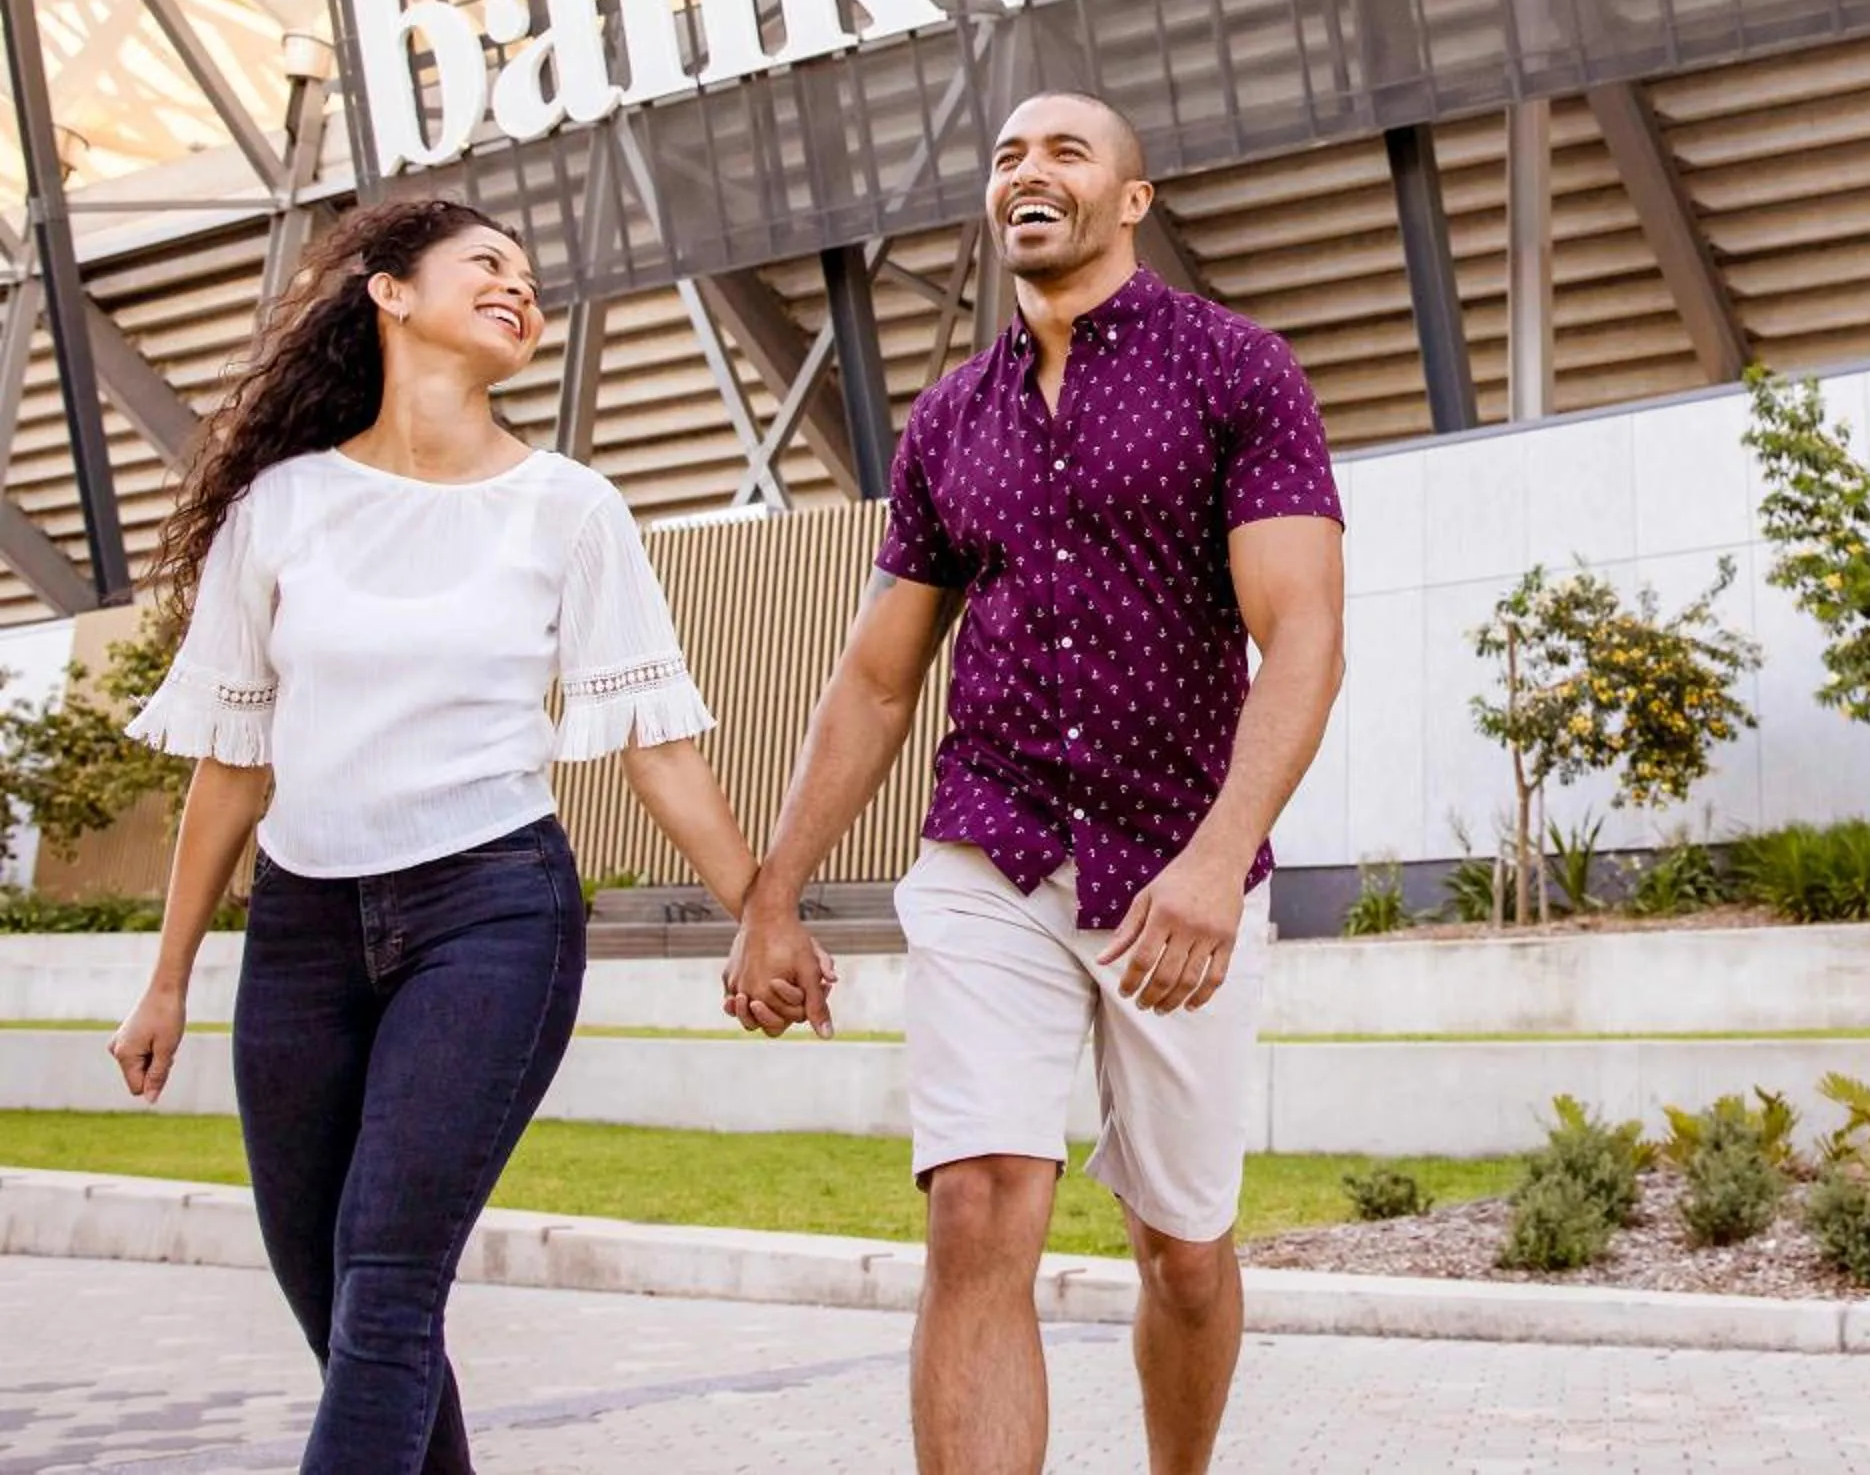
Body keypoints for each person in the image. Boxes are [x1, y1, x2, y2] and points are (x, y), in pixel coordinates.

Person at [105, 196, 795, 1475]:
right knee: (336, 1294)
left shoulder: (567, 508)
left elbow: (655, 741)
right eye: (486, 265)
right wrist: (166, 979)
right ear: (388, 294)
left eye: (531, 281)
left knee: (385, 1275)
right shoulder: (284, 506)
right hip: (304, 932)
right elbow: (231, 764)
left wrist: (762, 904)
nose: (519, 291)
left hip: (490, 913)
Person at [725, 89, 1346, 1475]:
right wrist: (774, 895)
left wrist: (1217, 853)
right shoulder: (951, 419)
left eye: (1066, 149)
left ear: (1131, 198)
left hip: (1181, 868)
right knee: (979, 1207)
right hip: (990, 850)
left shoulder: (1238, 370)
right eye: (1007, 153)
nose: (1029, 170)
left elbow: (1301, 630)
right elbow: (878, 676)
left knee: (1182, 1248)